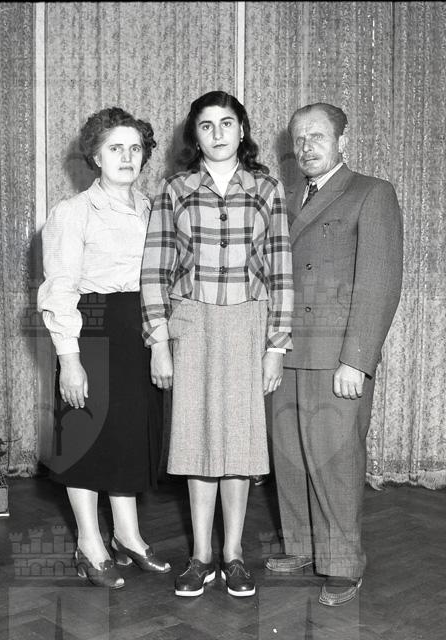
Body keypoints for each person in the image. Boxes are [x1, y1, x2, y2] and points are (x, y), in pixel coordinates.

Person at [140, 90, 293, 598]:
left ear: (242, 130)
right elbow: (154, 271)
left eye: (227, 123)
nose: (218, 133)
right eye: (206, 125)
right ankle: (201, 557)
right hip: (192, 323)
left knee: (240, 444)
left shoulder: (267, 188)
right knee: (196, 439)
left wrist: (276, 346)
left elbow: (281, 272)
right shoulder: (175, 189)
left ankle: (233, 556)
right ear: (196, 135)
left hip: (248, 323)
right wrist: (159, 342)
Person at [266, 103, 403, 606]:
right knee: (290, 457)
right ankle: (303, 548)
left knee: (336, 461)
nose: (307, 147)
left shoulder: (371, 192)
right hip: (285, 351)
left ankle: (343, 563)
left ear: (343, 141)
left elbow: (379, 283)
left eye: (318, 137)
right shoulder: (285, 200)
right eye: (299, 139)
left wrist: (357, 360)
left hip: (336, 358)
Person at [37, 106, 171, 589]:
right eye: (116, 148)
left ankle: (128, 536)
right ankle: (89, 543)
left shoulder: (153, 209)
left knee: (129, 437)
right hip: (92, 328)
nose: (127, 157)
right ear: (95, 156)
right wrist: (70, 360)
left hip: (140, 330)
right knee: (86, 439)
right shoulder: (72, 212)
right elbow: (60, 289)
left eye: (136, 148)